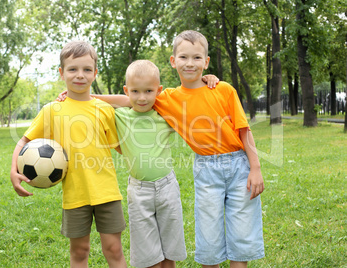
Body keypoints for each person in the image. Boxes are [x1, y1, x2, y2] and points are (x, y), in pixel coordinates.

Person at [74, 30, 265, 268]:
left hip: (239, 166)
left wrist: (255, 168)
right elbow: (129, 99)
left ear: (206, 62)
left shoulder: (223, 89)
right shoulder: (168, 98)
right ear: (174, 61)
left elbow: (244, 130)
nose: (190, 63)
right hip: (206, 168)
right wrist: (85, 96)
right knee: (209, 236)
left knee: (241, 233)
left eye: (197, 58)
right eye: (184, 57)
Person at [10, 40, 127, 268]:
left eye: (86, 69)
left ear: (95, 73)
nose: (80, 75)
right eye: (73, 69)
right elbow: (24, 140)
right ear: (62, 73)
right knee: (79, 251)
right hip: (75, 195)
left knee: (113, 249)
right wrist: (13, 171)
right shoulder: (52, 110)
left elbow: (120, 144)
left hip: (107, 193)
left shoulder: (104, 110)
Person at [116, 60, 187, 268]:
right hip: (139, 192)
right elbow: (95, 105)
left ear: (159, 90)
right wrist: (90, 96)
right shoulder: (119, 116)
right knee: (149, 256)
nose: (142, 97)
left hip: (167, 188)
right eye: (135, 91)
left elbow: (191, 97)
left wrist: (208, 78)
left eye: (149, 91)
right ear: (126, 91)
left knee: (169, 253)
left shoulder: (165, 115)